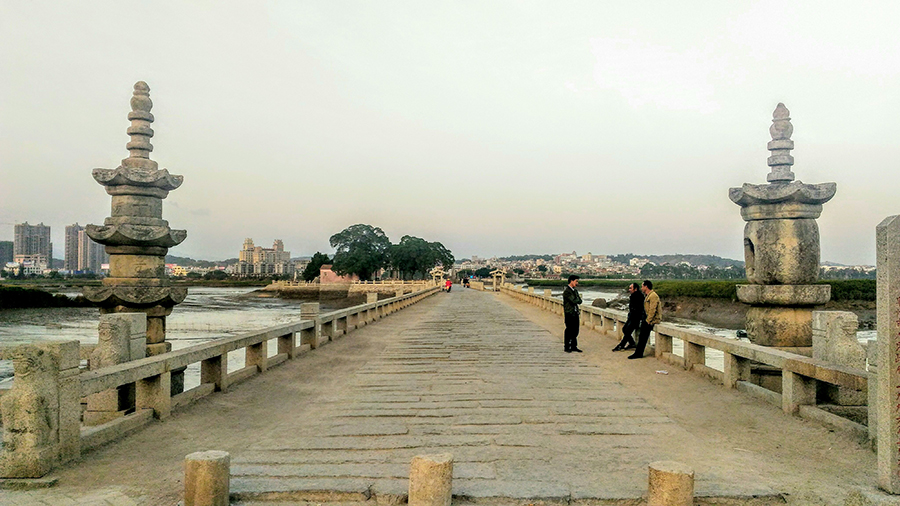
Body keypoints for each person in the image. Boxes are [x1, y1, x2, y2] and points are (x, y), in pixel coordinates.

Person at [629, 280, 661, 359]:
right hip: (647, 319)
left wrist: (648, 320)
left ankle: (638, 353)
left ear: (646, 286)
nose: (641, 288)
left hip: (651, 320)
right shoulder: (648, 295)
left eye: (642, 286)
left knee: (643, 337)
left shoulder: (653, 296)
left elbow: (652, 309)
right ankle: (638, 353)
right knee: (641, 337)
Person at [612, 282, 643, 351]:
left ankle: (622, 345)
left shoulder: (638, 296)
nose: (629, 290)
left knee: (627, 331)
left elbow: (638, 308)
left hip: (636, 318)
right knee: (625, 330)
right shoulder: (633, 296)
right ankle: (631, 343)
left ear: (635, 289)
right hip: (631, 317)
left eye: (630, 288)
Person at [562, 274, 583, 353]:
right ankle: (567, 346)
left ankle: (574, 346)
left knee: (575, 330)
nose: (577, 283)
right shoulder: (567, 291)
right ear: (571, 281)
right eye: (576, 281)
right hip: (569, 313)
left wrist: (576, 299)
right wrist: (576, 299)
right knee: (569, 330)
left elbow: (580, 301)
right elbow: (574, 301)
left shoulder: (575, 291)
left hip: (575, 313)